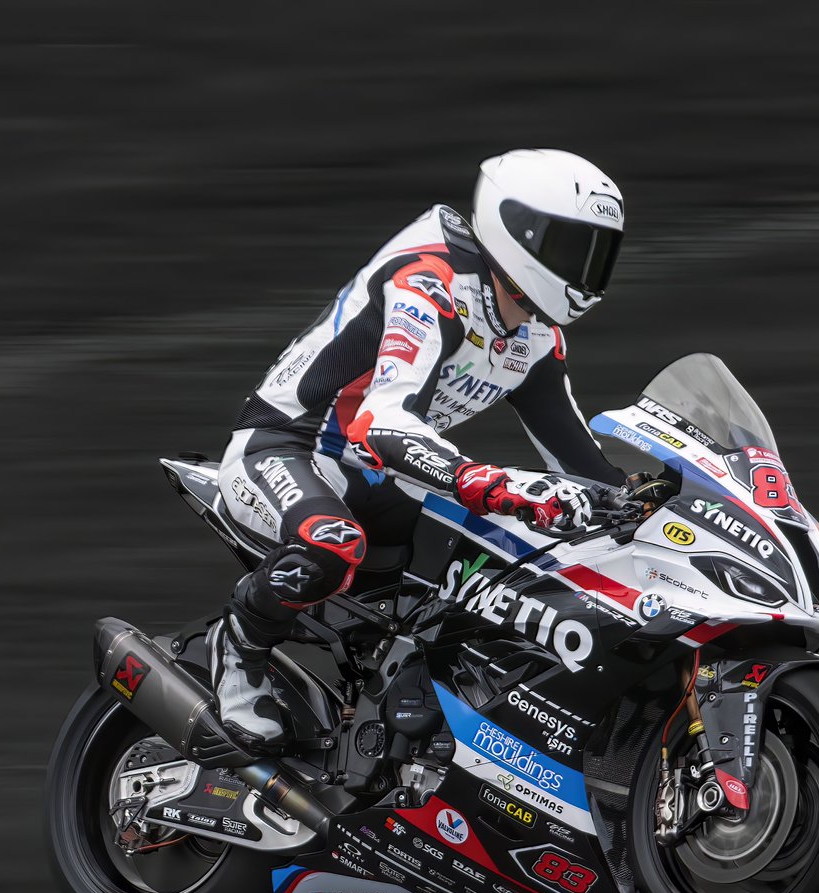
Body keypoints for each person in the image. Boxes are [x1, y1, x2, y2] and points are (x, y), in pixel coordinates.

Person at [210, 149, 633, 749]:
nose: (585, 270)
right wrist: (499, 485)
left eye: (599, 253)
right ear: (520, 231)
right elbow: (379, 424)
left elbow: (581, 463)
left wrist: (647, 500)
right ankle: (241, 645)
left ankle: (403, 705)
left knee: (504, 559)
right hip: (286, 445)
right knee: (334, 543)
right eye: (573, 248)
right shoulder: (431, 282)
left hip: (372, 476)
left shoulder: (536, 337)